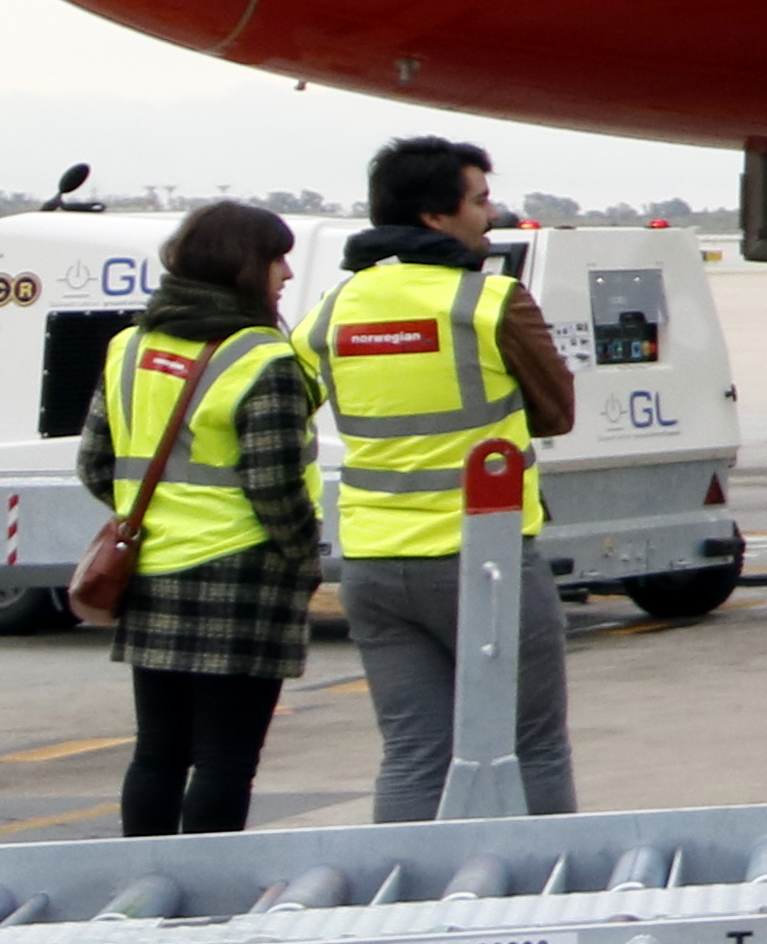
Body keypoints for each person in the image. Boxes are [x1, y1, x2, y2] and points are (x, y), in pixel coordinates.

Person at [307, 134, 582, 817]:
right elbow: (555, 413)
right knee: (532, 746)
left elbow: (286, 404)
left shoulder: (333, 310)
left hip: (373, 566)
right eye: (480, 200)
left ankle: (409, 904)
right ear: (436, 217)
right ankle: (549, 903)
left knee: (413, 753)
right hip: (483, 561)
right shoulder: (490, 303)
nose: (492, 215)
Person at [78, 203, 321, 837]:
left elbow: (95, 463)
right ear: (245, 268)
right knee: (226, 760)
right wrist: (304, 558)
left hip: (151, 568)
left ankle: (145, 888)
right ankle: (208, 901)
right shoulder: (261, 360)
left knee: (158, 751)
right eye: (276, 259)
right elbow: (275, 487)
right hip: (242, 578)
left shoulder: (128, 346)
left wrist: (154, 516)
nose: (287, 274)